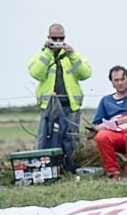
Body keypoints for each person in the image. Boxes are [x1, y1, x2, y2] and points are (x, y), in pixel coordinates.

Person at [28, 23, 92, 171]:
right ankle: (46, 170)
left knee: (72, 140)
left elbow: (86, 74)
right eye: (54, 38)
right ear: (48, 38)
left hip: (70, 106)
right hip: (49, 107)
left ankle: (71, 168)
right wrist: (48, 52)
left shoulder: (71, 56)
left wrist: (73, 55)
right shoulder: (41, 56)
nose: (57, 41)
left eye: (61, 38)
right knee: (46, 139)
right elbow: (36, 73)